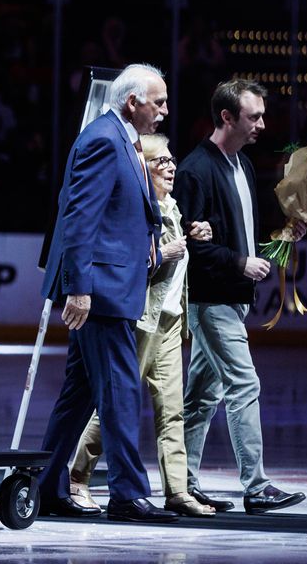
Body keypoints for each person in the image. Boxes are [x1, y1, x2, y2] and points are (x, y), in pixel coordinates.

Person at [37, 63, 177, 523]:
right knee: (119, 391)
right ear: (132, 102)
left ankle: (46, 486)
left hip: (111, 287)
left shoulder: (121, 138)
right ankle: (127, 494)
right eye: (158, 102)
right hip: (102, 291)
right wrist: (79, 289)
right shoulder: (103, 139)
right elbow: (80, 218)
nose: (165, 111)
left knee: (79, 395)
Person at [175, 79, 307, 514]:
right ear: (227, 117)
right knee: (244, 384)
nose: (262, 125)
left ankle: (182, 485)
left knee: (201, 398)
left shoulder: (242, 165)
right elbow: (186, 245)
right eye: (254, 117)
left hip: (231, 298)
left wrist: (285, 233)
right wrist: (239, 263)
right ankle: (256, 485)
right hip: (210, 300)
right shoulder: (195, 170)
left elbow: (243, 235)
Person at [68, 134, 215, 517]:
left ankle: (178, 491)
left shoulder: (173, 207)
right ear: (141, 169)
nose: (170, 166)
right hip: (140, 321)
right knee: (117, 405)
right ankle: (77, 475)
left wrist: (191, 234)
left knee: (172, 409)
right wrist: (164, 253)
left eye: (171, 159)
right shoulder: (137, 210)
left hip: (170, 321)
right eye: (160, 161)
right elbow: (126, 265)